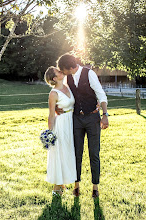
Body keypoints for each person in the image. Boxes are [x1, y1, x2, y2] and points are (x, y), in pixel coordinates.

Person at [56, 53, 109, 198]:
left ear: (69, 67)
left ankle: (95, 187)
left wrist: (105, 115)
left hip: (92, 118)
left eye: (63, 69)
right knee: (76, 153)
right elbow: (62, 94)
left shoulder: (89, 74)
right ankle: (76, 185)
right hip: (76, 120)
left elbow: (101, 94)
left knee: (94, 153)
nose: (62, 72)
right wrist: (55, 107)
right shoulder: (67, 78)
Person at [44, 66, 77, 195]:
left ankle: (63, 182)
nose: (61, 71)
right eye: (58, 71)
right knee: (60, 153)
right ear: (54, 78)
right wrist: (50, 133)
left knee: (68, 152)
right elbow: (51, 115)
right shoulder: (53, 93)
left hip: (71, 122)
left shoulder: (67, 85)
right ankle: (56, 188)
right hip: (61, 125)